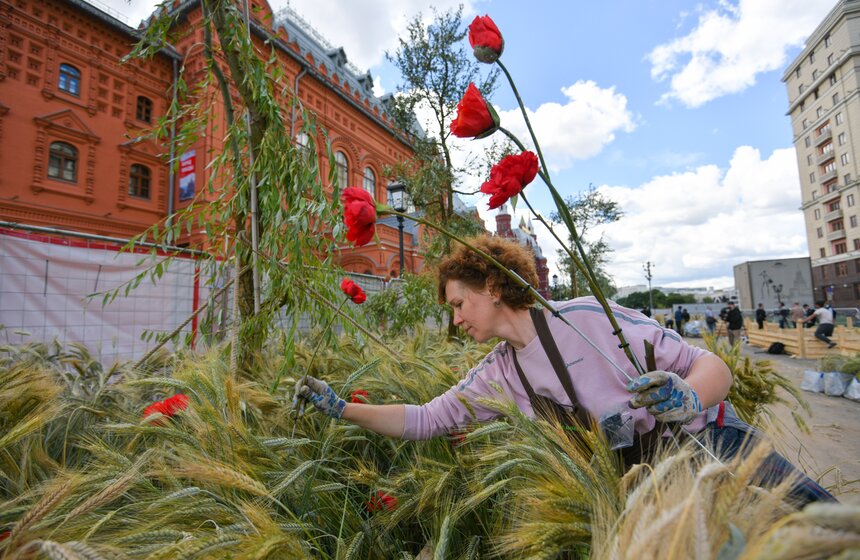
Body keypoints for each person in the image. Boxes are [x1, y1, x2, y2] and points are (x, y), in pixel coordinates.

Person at [295, 236, 834, 505]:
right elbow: (425, 419)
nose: (455, 319)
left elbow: (713, 367)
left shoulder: (583, 319)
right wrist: (341, 408)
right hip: (647, 490)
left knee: (821, 532)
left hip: (714, 445)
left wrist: (688, 396)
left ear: (492, 286)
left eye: (459, 304)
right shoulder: (498, 374)